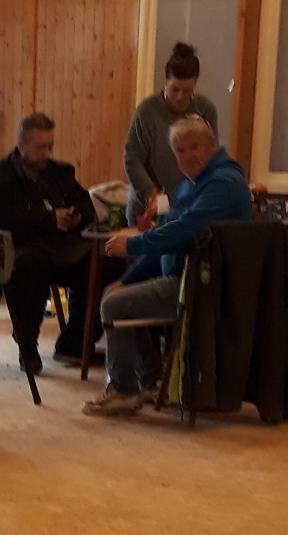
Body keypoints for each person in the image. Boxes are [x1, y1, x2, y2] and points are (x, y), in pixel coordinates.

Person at [86, 115, 252, 417]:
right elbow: (168, 242)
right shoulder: (193, 185)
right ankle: (149, 381)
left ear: (212, 145)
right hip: (185, 276)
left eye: (194, 147)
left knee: (114, 306)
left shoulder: (223, 183)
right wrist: (129, 279)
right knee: (117, 294)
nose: (188, 156)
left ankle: (123, 390)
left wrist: (134, 244)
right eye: (180, 150)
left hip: (204, 286)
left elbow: (185, 230)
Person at [0, 114, 95, 374]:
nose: (47, 153)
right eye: (40, 147)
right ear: (21, 145)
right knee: (30, 265)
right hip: (21, 247)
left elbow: (86, 203)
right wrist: (48, 220)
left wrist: (75, 216)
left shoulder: (59, 172)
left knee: (100, 265)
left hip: (60, 247)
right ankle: (27, 343)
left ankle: (74, 343)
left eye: (50, 146)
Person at [123, 42, 221, 225]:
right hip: (148, 210)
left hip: (188, 208)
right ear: (165, 81)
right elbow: (132, 158)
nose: (179, 97)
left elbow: (210, 156)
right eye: (174, 89)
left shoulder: (206, 110)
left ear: (195, 85)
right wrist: (151, 195)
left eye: (187, 91)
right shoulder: (148, 111)